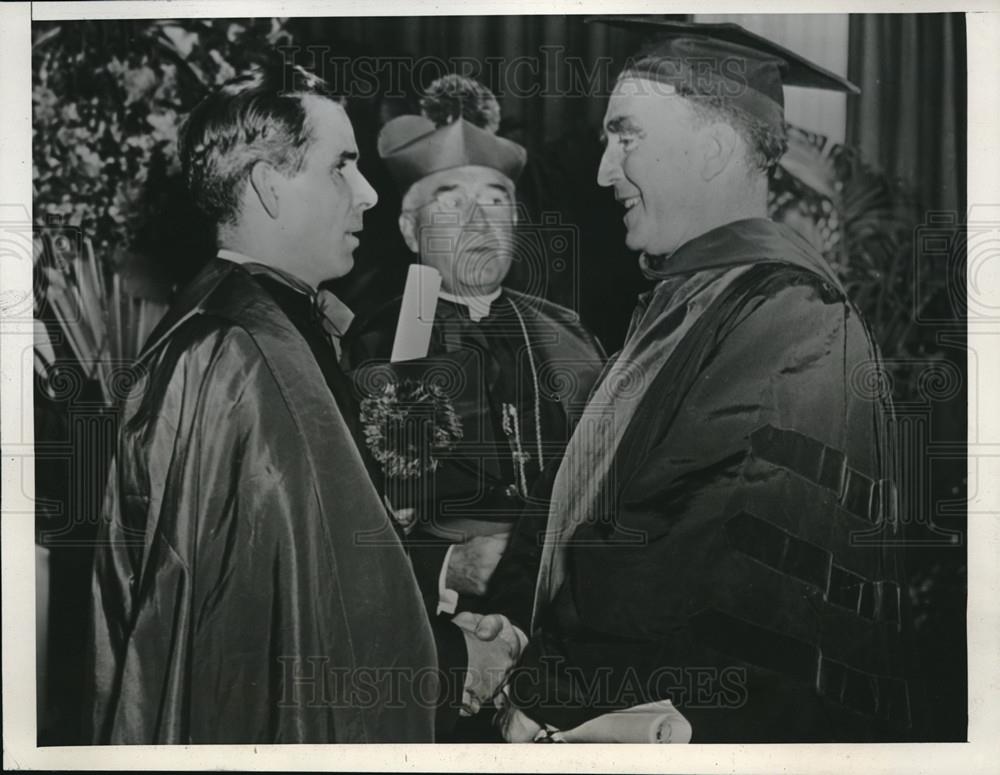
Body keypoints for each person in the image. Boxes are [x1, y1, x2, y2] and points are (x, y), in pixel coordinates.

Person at [497, 20, 912, 743]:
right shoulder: (696, 296)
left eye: (627, 138)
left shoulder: (788, 315)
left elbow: (680, 557)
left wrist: (543, 689)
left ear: (714, 150)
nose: (603, 171)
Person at [85, 64, 439, 744]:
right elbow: (253, 639)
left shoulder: (259, 321)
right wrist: (449, 663)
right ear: (270, 186)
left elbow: (311, 555)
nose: (367, 194)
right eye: (342, 166)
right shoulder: (235, 351)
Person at [342, 75, 606, 736]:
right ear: (408, 227)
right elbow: (339, 528)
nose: (479, 220)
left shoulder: (569, 335)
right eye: (450, 202)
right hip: (442, 648)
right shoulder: (373, 347)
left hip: (574, 640)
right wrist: (445, 568)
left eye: (496, 200)